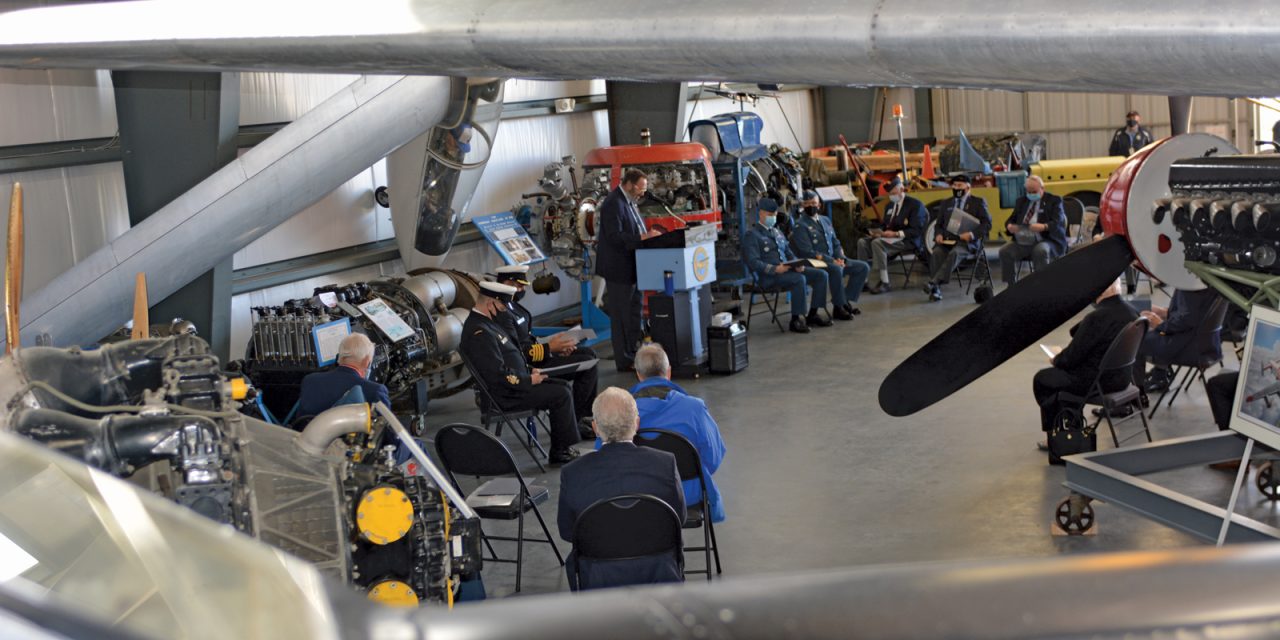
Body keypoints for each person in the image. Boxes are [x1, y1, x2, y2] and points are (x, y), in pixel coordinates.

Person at [557, 387, 686, 591]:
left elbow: (567, 532)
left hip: (598, 578)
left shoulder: (573, 473)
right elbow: (679, 519)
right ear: (636, 423)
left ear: (595, 428)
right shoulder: (665, 464)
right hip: (659, 573)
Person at [459, 281, 580, 465]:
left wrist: (531, 371)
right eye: (503, 306)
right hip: (505, 395)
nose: (506, 310)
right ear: (491, 304)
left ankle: (564, 446)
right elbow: (496, 374)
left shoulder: (488, 324)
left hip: (514, 386)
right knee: (560, 394)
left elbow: (511, 357)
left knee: (562, 386)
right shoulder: (479, 332)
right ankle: (560, 452)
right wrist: (528, 380)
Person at [622, 343, 726, 522]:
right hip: (687, 495)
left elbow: (607, 456)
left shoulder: (620, 413)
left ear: (638, 375)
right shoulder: (695, 408)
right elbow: (713, 459)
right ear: (668, 372)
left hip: (636, 497)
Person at [494, 264, 598, 439]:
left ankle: (583, 417)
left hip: (539, 356)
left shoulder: (515, 308)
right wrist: (551, 348)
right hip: (530, 366)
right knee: (587, 367)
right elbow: (517, 353)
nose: (522, 290)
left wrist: (556, 347)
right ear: (506, 283)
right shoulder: (502, 314)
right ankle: (577, 421)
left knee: (588, 354)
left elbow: (528, 340)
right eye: (519, 285)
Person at [1032, 278, 1138, 441]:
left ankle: (1059, 437)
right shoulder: (1132, 312)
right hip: (1123, 379)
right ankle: (1072, 424)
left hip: (1097, 383)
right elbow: (1075, 332)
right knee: (1062, 383)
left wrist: (1056, 359)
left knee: (1043, 379)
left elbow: (1071, 358)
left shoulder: (1097, 317)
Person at [596, 168, 659, 371]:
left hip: (634, 267)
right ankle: (623, 360)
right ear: (630, 184)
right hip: (618, 270)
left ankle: (633, 353)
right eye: (640, 188)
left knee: (634, 313)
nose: (642, 193)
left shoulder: (630, 202)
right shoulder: (613, 203)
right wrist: (642, 237)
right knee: (621, 316)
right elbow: (615, 237)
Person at [742, 198, 831, 333]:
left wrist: (797, 264)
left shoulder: (777, 232)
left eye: (775, 215)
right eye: (769, 215)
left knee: (821, 275)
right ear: (760, 213)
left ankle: (813, 313)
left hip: (788, 270)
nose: (773, 217)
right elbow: (753, 262)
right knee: (799, 279)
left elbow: (789, 253)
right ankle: (796, 319)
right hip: (769, 276)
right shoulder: (752, 235)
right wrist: (775, 269)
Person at [790, 190, 870, 320]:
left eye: (814, 203)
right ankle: (838, 308)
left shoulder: (825, 220)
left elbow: (835, 241)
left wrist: (840, 257)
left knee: (862, 267)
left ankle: (844, 301)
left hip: (834, 259)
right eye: (807, 203)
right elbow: (807, 252)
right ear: (803, 206)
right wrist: (832, 261)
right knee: (836, 269)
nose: (811, 206)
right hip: (814, 262)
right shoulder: (800, 225)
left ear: (819, 205)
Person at [1138, 288, 1222, 392]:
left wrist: (1160, 324)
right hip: (1209, 345)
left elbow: (1185, 321)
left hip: (1191, 348)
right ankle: (1159, 375)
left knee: (1136, 339)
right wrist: (1163, 312)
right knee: (1153, 335)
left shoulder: (1190, 286)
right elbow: (1194, 314)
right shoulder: (1207, 284)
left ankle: (1138, 390)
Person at [923, 174, 991, 302]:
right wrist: (938, 234)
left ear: (968, 187)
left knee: (955, 253)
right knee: (936, 253)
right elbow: (939, 224)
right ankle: (936, 289)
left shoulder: (978, 202)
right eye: (954, 185)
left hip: (967, 242)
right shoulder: (946, 203)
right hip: (948, 241)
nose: (956, 188)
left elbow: (987, 224)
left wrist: (971, 235)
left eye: (959, 185)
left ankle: (934, 283)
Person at [296, 332, 392, 422]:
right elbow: (388, 432)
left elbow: (300, 422)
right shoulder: (375, 391)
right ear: (367, 362)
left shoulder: (310, 381)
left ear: (339, 357)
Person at [858, 176, 928, 294]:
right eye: (889, 194)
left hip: (906, 240)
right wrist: (876, 232)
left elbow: (917, 230)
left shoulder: (915, 205)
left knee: (877, 243)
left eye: (893, 193)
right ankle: (863, 280)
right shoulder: (889, 206)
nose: (891, 196)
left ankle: (885, 282)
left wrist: (895, 234)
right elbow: (886, 225)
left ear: (901, 190)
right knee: (862, 242)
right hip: (888, 239)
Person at [999, 175, 1068, 285]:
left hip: (1046, 239)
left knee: (1040, 250)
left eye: (1034, 191)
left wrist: (1044, 226)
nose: (1031, 194)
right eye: (1028, 192)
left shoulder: (1054, 200)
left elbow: (1058, 222)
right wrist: (1010, 227)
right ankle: (1011, 285)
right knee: (1005, 251)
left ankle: (1041, 284)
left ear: (1042, 189)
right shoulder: (1021, 201)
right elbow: (1010, 220)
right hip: (1024, 240)